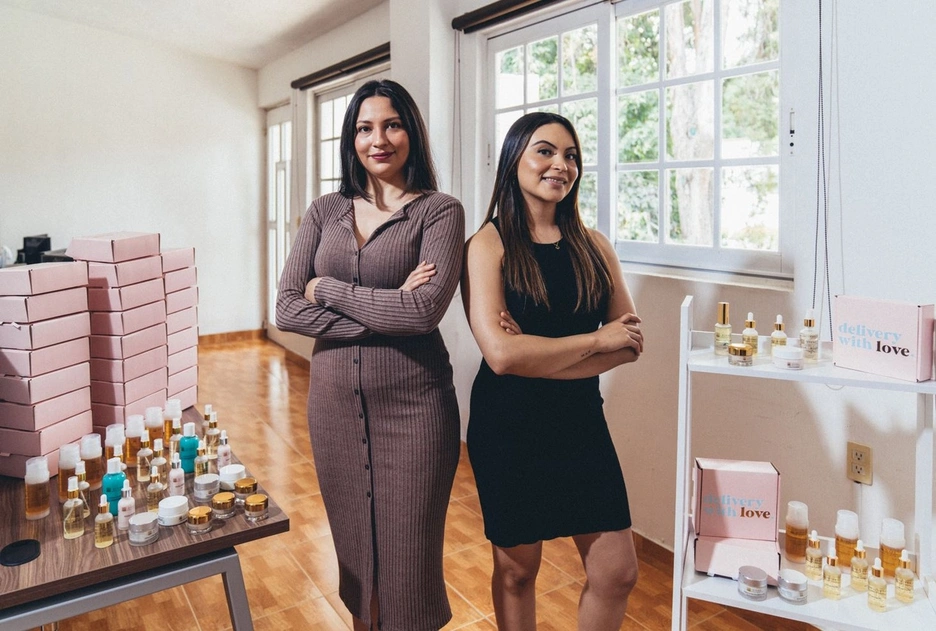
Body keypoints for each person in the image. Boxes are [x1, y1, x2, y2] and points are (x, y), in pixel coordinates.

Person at [276, 79, 464, 631]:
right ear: (350, 138)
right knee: (358, 567)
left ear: (412, 131)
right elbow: (287, 308)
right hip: (332, 408)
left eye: (391, 124)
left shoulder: (439, 212)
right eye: (364, 127)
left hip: (416, 412)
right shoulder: (324, 211)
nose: (377, 139)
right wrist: (387, 310)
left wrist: (329, 290)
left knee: (409, 571)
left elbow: (422, 314)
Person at [461, 112, 643, 630]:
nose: (560, 165)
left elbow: (628, 346)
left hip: (581, 421)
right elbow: (500, 356)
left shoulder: (596, 246)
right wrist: (593, 341)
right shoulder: (488, 244)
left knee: (617, 571)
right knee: (518, 571)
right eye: (545, 151)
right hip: (509, 426)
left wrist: (538, 357)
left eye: (571, 156)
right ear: (515, 157)